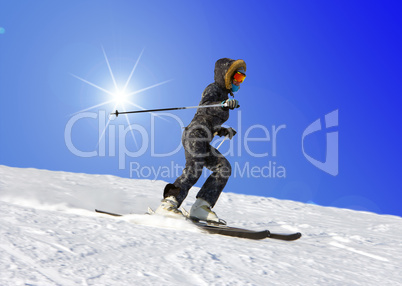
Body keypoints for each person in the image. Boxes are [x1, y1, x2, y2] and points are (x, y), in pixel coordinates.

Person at [155, 58, 247, 224]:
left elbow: (211, 122)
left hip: (204, 138)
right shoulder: (213, 89)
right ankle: (168, 203)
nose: (239, 82)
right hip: (194, 134)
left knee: (223, 167)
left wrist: (223, 130)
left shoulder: (225, 96)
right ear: (226, 75)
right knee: (194, 167)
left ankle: (201, 207)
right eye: (238, 77)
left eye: (242, 79)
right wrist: (223, 105)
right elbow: (206, 105)